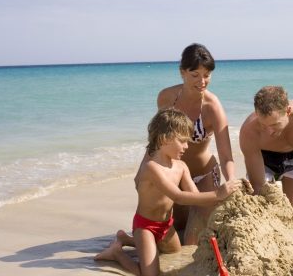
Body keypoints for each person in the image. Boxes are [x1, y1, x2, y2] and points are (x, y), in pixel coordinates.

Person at [95, 109, 241, 276]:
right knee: (151, 274)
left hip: (166, 226)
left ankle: (125, 239)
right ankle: (117, 253)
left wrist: (225, 198)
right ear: (165, 139)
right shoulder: (151, 168)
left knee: (174, 253)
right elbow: (178, 196)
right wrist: (217, 194)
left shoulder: (181, 166)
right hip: (146, 227)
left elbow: (194, 197)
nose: (187, 146)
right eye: (182, 141)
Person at [136, 43, 236, 245]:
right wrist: (142, 171)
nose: (202, 81)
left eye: (207, 75)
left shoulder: (212, 106)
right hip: (175, 175)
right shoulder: (166, 97)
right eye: (195, 75)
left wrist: (231, 181)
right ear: (182, 72)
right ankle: (127, 241)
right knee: (172, 230)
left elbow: (226, 155)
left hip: (205, 174)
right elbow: (158, 138)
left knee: (191, 242)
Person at [239, 86, 293, 207]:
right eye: (263, 125)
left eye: (275, 124)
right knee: (262, 205)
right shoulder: (249, 131)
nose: (269, 132)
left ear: (288, 111)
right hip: (265, 159)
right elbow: (258, 185)